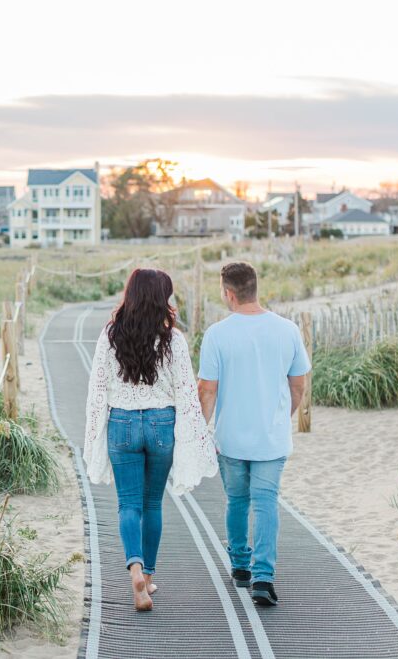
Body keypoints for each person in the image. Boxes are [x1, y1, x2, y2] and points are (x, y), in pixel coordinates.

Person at [84, 268, 217, 612]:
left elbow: (98, 389)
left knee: (128, 505)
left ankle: (135, 570)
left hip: (123, 423)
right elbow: (186, 392)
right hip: (160, 424)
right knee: (153, 504)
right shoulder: (174, 339)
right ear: (162, 299)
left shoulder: (111, 335)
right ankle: (151, 575)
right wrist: (196, 434)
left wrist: (95, 432)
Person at [197, 262, 311, 607]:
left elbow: (207, 390)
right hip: (271, 438)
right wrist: (281, 416)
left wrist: (202, 431)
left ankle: (240, 565)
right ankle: (264, 576)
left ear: (229, 293)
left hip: (231, 437)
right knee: (265, 503)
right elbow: (298, 384)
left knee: (237, 501)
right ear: (254, 288)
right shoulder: (287, 329)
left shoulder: (217, 334)